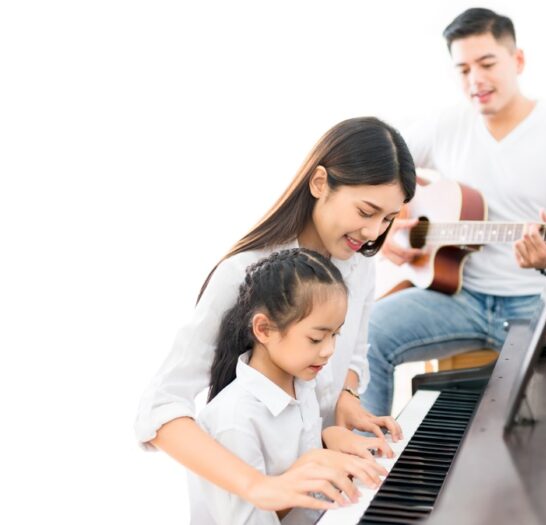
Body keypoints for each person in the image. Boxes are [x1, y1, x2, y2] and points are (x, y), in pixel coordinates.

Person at [135, 117, 415, 513]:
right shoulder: (243, 274)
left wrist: (347, 399)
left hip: (319, 495)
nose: (374, 233)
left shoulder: (359, 263)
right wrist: (260, 488)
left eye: (388, 218)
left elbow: (353, 356)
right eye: (366, 211)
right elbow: (159, 408)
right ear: (319, 183)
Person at [362, 8, 546, 417]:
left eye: (487, 64)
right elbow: (377, 171)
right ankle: (364, 452)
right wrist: (383, 233)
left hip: (535, 302)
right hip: (458, 297)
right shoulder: (444, 125)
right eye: (463, 69)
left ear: (518, 60)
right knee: (364, 335)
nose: (475, 80)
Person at [193, 248, 396, 524]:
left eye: (335, 335)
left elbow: (294, 449)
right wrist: (307, 470)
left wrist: (329, 440)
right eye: (316, 339)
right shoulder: (234, 420)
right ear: (264, 329)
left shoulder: (302, 380)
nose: (329, 350)